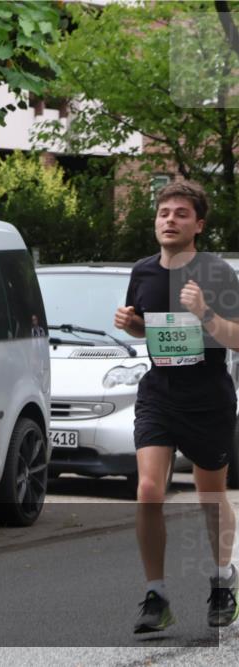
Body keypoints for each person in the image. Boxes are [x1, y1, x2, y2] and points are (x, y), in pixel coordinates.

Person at [113, 180, 239, 633]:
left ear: (199, 225)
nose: (170, 220)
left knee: (210, 496)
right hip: (158, 394)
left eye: (181, 213)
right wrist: (133, 325)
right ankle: (156, 595)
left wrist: (205, 312)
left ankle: (224, 580)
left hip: (207, 398)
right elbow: (149, 330)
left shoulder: (218, 273)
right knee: (148, 490)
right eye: (164, 212)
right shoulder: (143, 272)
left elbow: (236, 338)